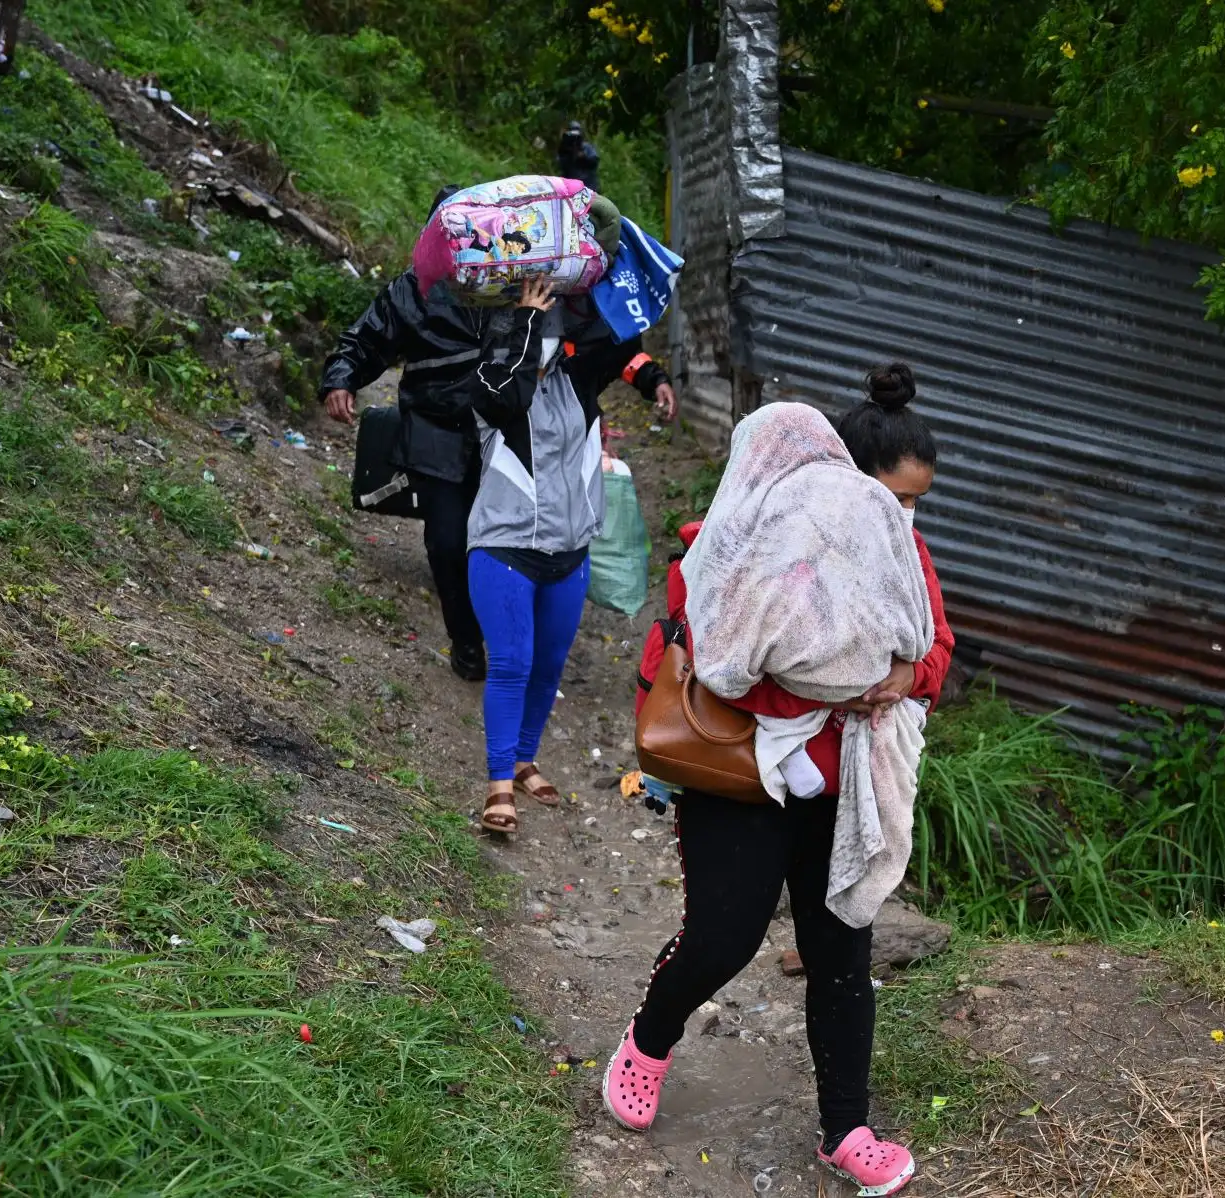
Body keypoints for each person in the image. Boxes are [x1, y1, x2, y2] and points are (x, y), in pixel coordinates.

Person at [611, 365, 952, 1197]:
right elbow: (694, 663)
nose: (901, 521)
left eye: (915, 506)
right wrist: (817, 686)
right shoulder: (735, 543)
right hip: (741, 779)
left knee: (841, 953)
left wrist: (905, 680)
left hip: (844, 788)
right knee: (722, 939)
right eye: (892, 500)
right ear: (835, 478)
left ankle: (848, 1131)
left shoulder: (904, 558)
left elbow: (936, 647)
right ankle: (649, 1039)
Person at [319, 186, 675, 681]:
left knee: (505, 545)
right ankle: (466, 640)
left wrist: (651, 377)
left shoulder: (520, 285)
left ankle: (511, 639)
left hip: (504, 439)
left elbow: (599, 346)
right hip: (437, 432)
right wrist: (341, 377)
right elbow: (370, 335)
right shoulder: (417, 290)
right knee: (447, 542)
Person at [467, 276, 653, 833]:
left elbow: (622, 337)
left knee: (548, 665)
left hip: (570, 552)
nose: (549, 349)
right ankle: (499, 785)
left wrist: (600, 283)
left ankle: (525, 759)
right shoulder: (492, 386)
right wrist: (525, 319)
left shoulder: (578, 384)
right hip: (505, 548)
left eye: (552, 334)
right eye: (537, 335)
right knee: (511, 664)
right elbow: (512, 392)